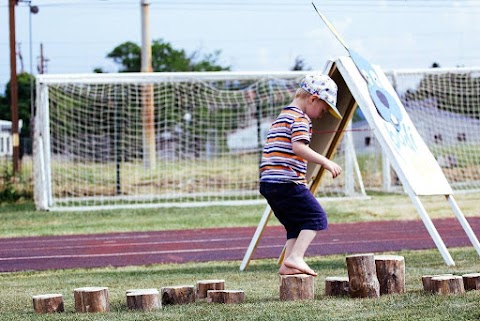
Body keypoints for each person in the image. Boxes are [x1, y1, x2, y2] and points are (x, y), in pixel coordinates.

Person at [259, 73, 342, 276]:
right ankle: (296, 258)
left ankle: (288, 264)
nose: (321, 115)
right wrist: (326, 162)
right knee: (316, 217)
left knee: (295, 224)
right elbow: (298, 148)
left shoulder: (283, 116)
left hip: (269, 183)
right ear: (313, 99)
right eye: (323, 109)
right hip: (286, 182)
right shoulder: (300, 119)